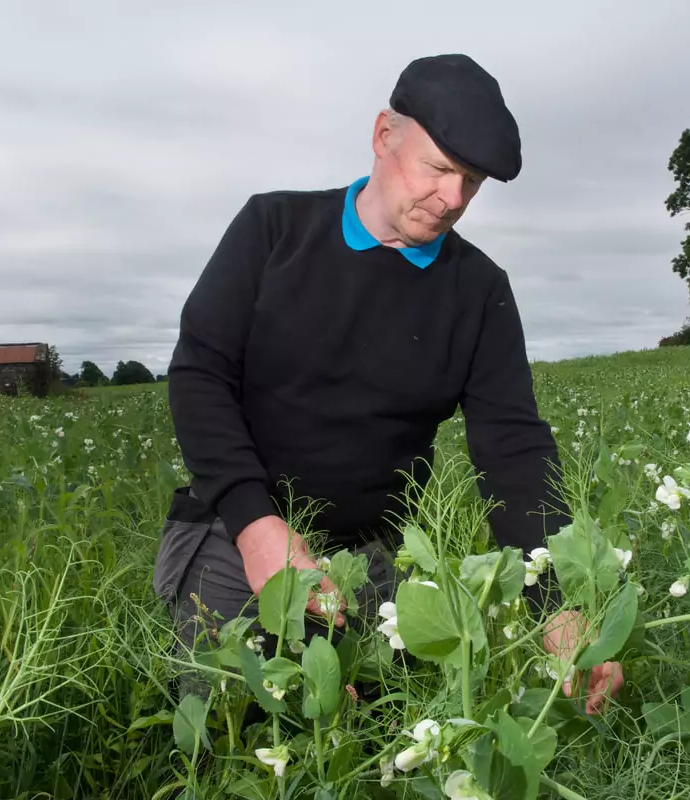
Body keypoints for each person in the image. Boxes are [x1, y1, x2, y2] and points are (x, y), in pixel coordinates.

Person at [153, 53, 623, 715]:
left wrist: (557, 603)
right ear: (383, 137)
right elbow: (200, 374)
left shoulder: (478, 292)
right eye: (438, 169)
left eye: (473, 182)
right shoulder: (273, 231)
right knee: (231, 738)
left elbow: (512, 448)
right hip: (235, 536)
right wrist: (257, 527)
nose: (454, 199)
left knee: (361, 748)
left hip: (373, 562)